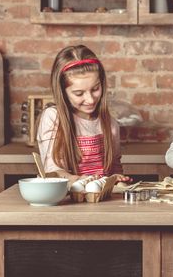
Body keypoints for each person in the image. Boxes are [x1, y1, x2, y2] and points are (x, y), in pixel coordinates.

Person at [37, 45, 130, 183]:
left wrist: (117, 179)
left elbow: (115, 169)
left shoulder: (110, 124)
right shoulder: (53, 117)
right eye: (79, 93)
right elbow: (53, 172)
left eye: (95, 89)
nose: (90, 99)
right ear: (63, 92)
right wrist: (79, 180)